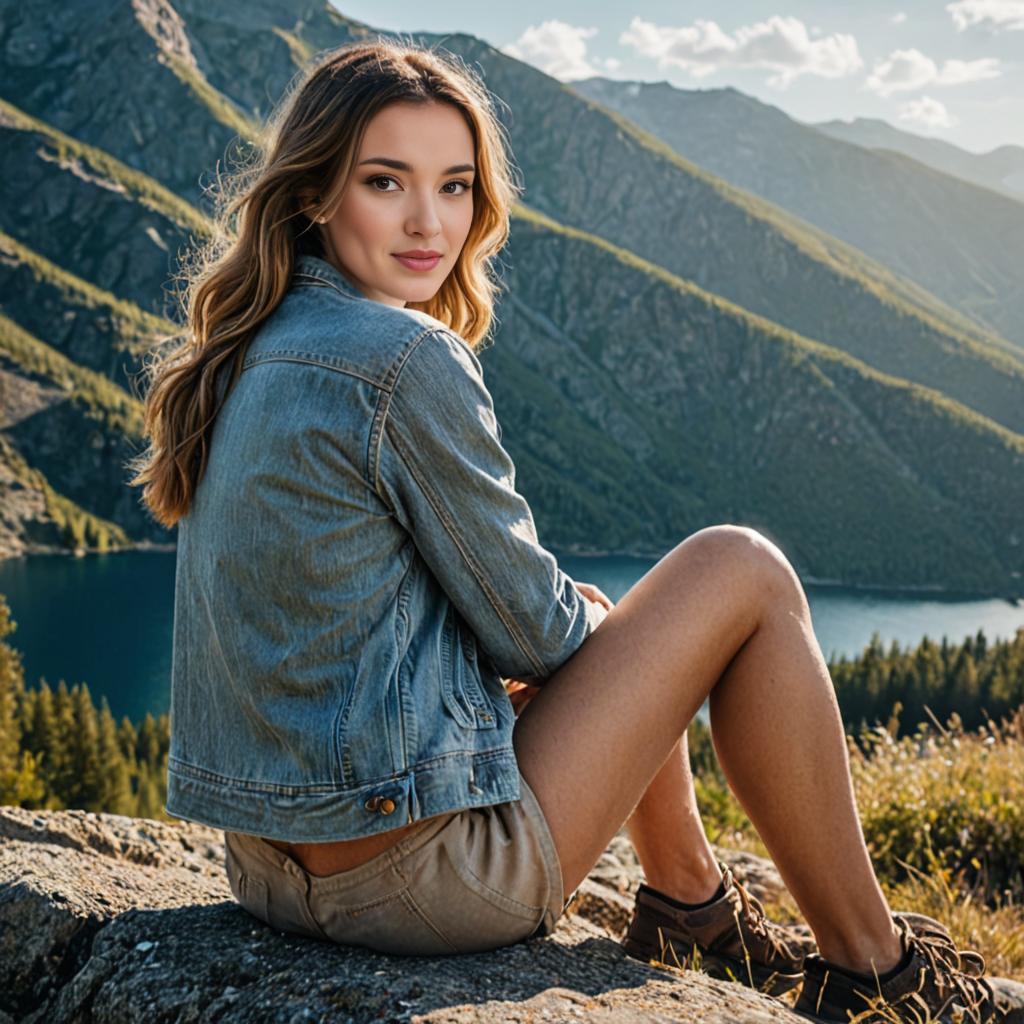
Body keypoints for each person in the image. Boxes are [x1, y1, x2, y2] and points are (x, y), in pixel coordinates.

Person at [128, 36, 1023, 1024]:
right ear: (315, 193)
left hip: (266, 870)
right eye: (387, 182)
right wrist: (626, 649)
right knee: (743, 570)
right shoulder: (400, 356)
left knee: (606, 621)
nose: (430, 222)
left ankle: (691, 909)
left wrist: (601, 642)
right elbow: (534, 634)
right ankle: (878, 973)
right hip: (411, 887)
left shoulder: (247, 347)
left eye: (456, 186)